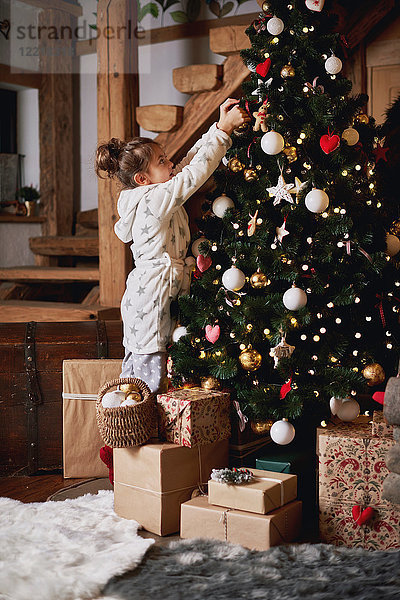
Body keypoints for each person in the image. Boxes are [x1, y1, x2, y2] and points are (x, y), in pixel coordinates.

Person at [95, 98, 250, 395]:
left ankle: (133, 422)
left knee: (144, 366)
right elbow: (192, 176)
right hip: (152, 294)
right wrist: (224, 132)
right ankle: (138, 425)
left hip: (157, 289)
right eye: (162, 162)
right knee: (148, 372)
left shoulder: (153, 191)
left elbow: (187, 163)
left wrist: (218, 126)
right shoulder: (154, 199)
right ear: (142, 179)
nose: (170, 164)